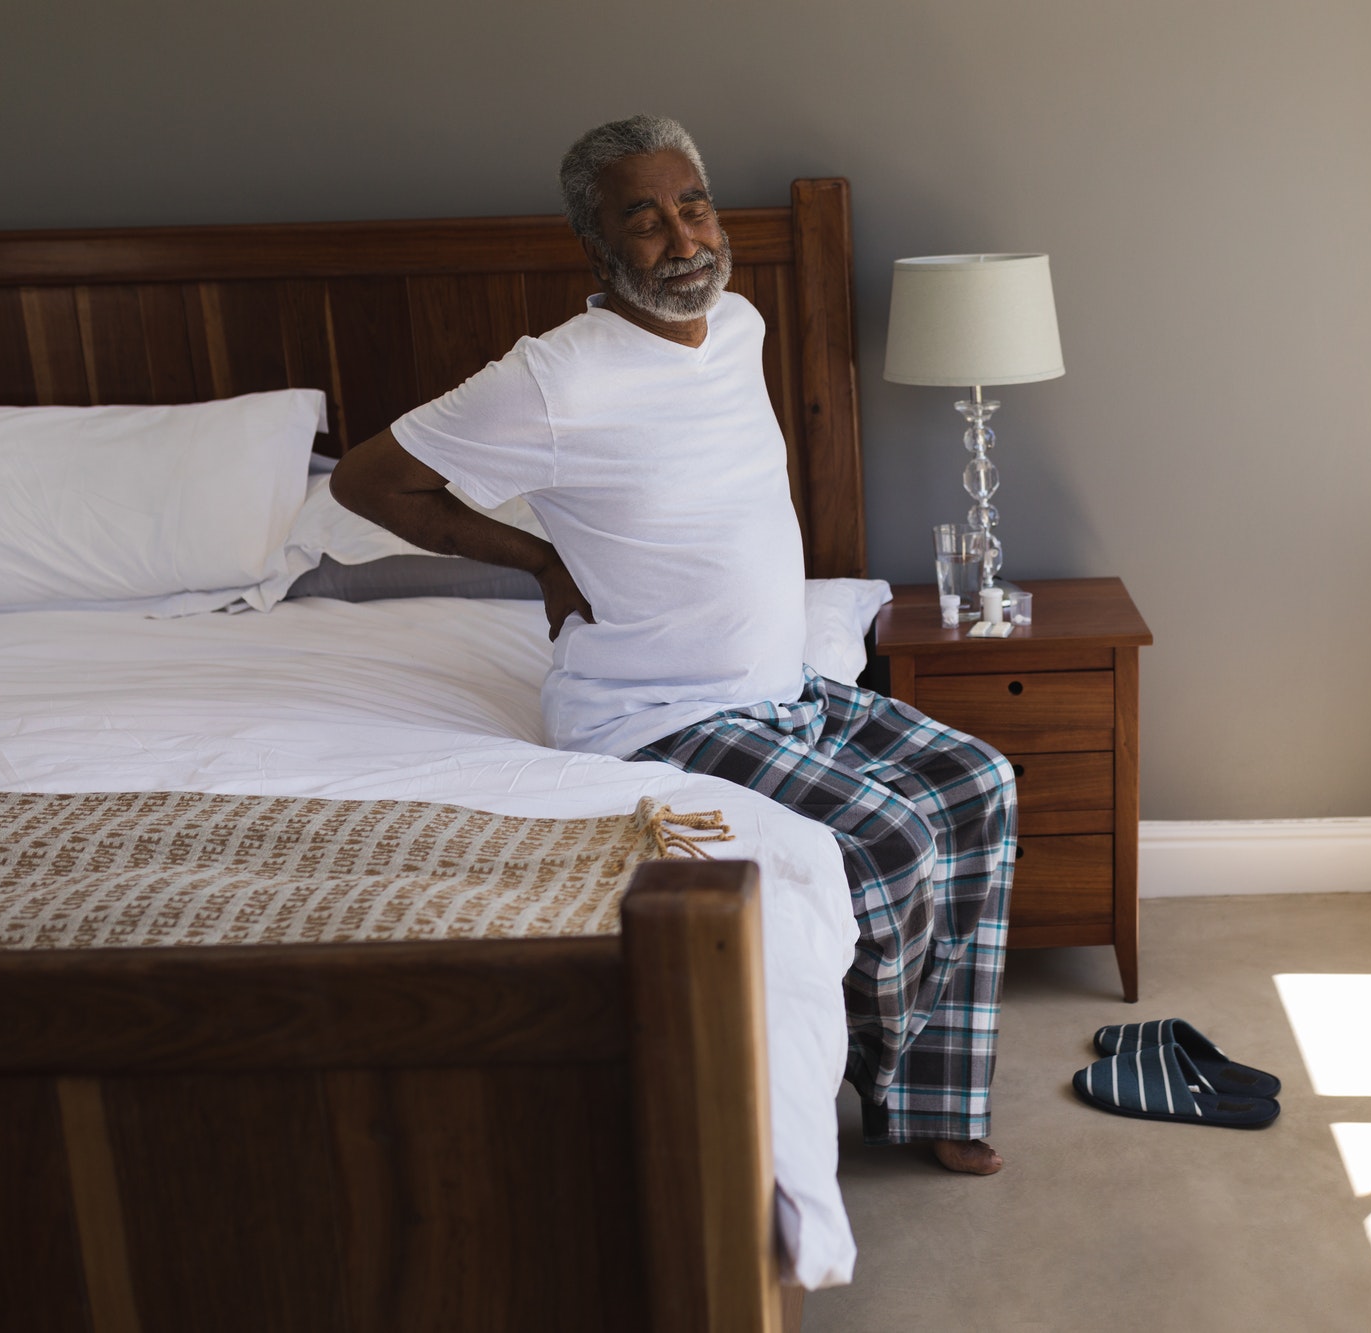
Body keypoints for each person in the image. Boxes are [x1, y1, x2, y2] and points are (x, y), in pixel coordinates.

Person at [330, 115, 1014, 1175]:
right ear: (596, 246)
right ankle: (885, 1070)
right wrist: (539, 561)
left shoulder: (737, 321)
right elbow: (367, 480)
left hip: (779, 682)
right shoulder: (552, 378)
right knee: (887, 841)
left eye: (691, 203)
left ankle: (927, 1087)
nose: (681, 236)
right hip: (659, 710)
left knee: (978, 780)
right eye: (641, 219)